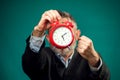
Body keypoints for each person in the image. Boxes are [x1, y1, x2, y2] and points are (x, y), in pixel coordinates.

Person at [22, 10, 110, 80]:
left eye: (66, 31)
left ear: (77, 35)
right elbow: (30, 65)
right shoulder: (42, 56)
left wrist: (94, 59)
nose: (61, 41)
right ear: (48, 38)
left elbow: (104, 78)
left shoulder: (89, 57)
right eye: (56, 32)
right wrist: (39, 30)